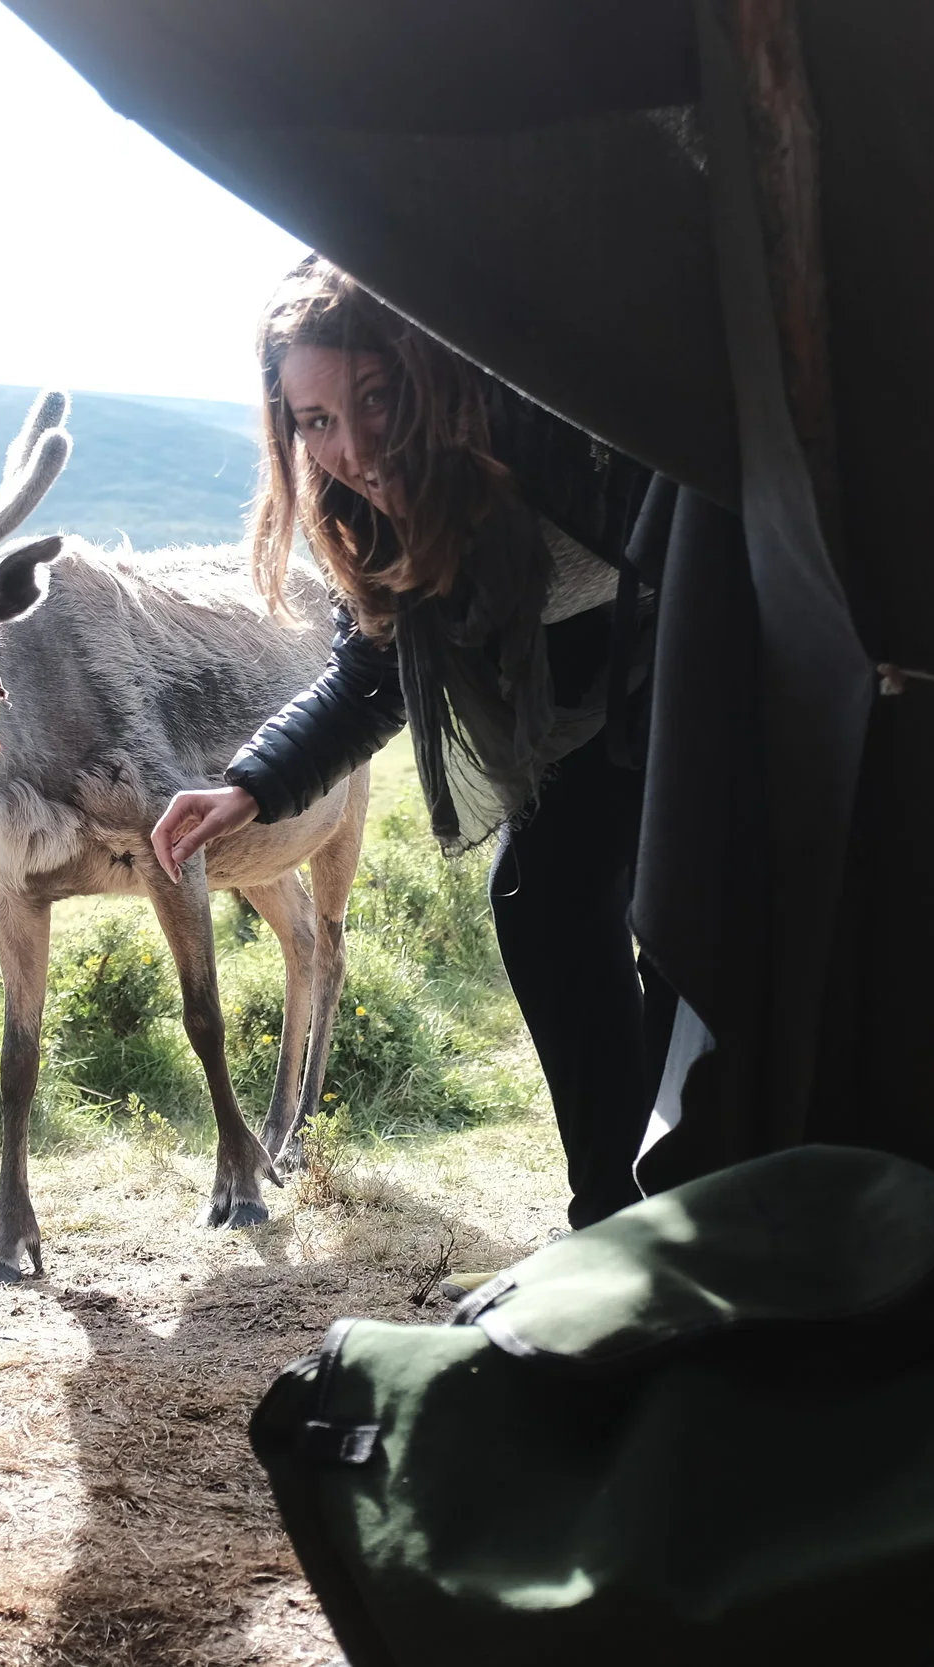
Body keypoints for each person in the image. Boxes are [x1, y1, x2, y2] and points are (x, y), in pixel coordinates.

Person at [151, 257, 671, 1231]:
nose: (354, 449)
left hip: (695, 660)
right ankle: (613, 1220)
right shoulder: (365, 512)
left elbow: (709, 530)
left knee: (687, 921)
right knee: (541, 899)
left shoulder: (554, 437)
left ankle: (707, 1195)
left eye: (376, 399)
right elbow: (370, 672)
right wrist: (249, 787)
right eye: (316, 421)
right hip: (574, 714)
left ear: (430, 371)